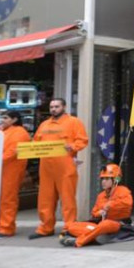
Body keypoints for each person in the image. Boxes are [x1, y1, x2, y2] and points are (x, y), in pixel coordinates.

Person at [30, 98, 88, 239]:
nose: (53, 109)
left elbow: (82, 140)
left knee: (67, 198)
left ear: (64, 107)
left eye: (56, 106)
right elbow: (35, 142)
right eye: (51, 107)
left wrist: (73, 147)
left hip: (65, 166)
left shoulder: (74, 122)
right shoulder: (44, 125)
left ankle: (69, 227)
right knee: (45, 198)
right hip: (46, 167)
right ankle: (46, 227)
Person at [60, 164, 133, 248]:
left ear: (115, 180)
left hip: (117, 224)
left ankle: (79, 241)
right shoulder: (101, 195)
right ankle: (96, 236)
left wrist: (110, 205)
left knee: (105, 224)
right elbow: (94, 212)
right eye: (102, 179)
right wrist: (100, 212)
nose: (103, 182)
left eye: (106, 179)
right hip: (99, 226)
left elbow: (127, 203)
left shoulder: (123, 191)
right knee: (72, 226)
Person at [0, 110, 31, 237]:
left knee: (8, 199)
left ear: (14, 119)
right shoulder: (3, 131)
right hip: (2, 169)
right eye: (2, 118)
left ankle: (6, 228)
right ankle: (0, 225)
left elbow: (13, 152)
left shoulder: (20, 133)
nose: (2, 120)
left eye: (5, 118)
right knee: (1, 198)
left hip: (12, 170)